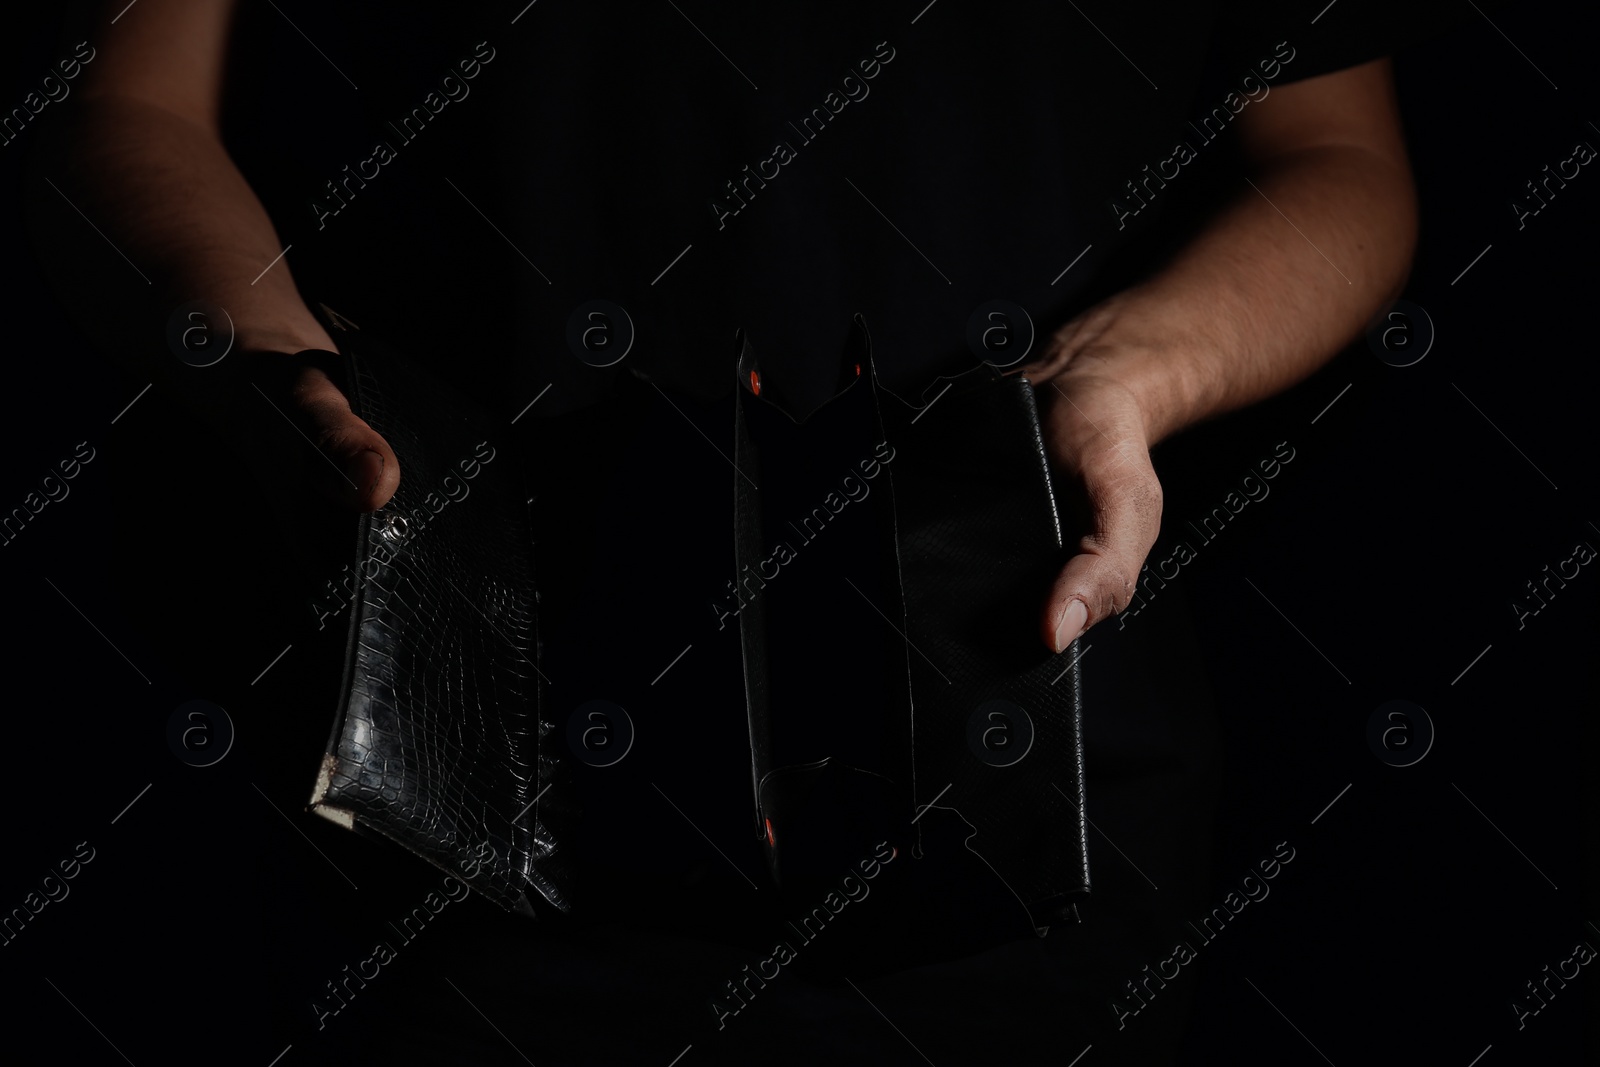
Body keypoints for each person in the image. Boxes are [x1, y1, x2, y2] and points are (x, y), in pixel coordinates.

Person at [26, 1, 1417, 1062]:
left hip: (1036, 758)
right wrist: (286, 382)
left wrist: (1128, 372)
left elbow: (1336, 151)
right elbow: (128, 102)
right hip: (460, 783)